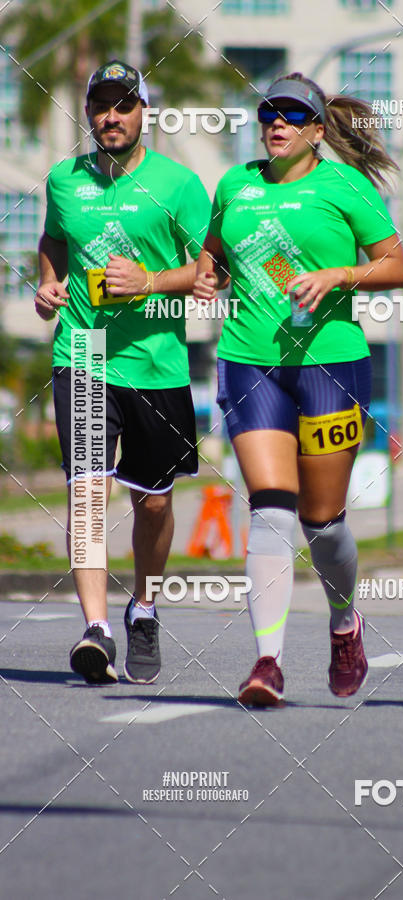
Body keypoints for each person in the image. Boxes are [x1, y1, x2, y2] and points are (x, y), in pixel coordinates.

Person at [194, 72, 403, 706]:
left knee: (323, 522)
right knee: (269, 506)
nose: (277, 123)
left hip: (330, 364)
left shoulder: (344, 185)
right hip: (249, 361)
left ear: (318, 130)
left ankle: (345, 623)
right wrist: (206, 277)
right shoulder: (235, 185)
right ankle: (268, 661)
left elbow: (397, 265)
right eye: (268, 114)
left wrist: (338, 273)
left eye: (292, 115)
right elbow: (213, 260)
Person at [35, 59, 211, 685]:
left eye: (124, 104)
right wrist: (49, 283)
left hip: (155, 363)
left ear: (144, 113)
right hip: (81, 355)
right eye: (101, 105)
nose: (111, 116)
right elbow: (54, 241)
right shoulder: (63, 180)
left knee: (154, 503)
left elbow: (211, 272)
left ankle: (143, 608)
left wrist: (152, 281)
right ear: (87, 113)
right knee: (87, 492)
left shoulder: (180, 184)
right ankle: (96, 628)